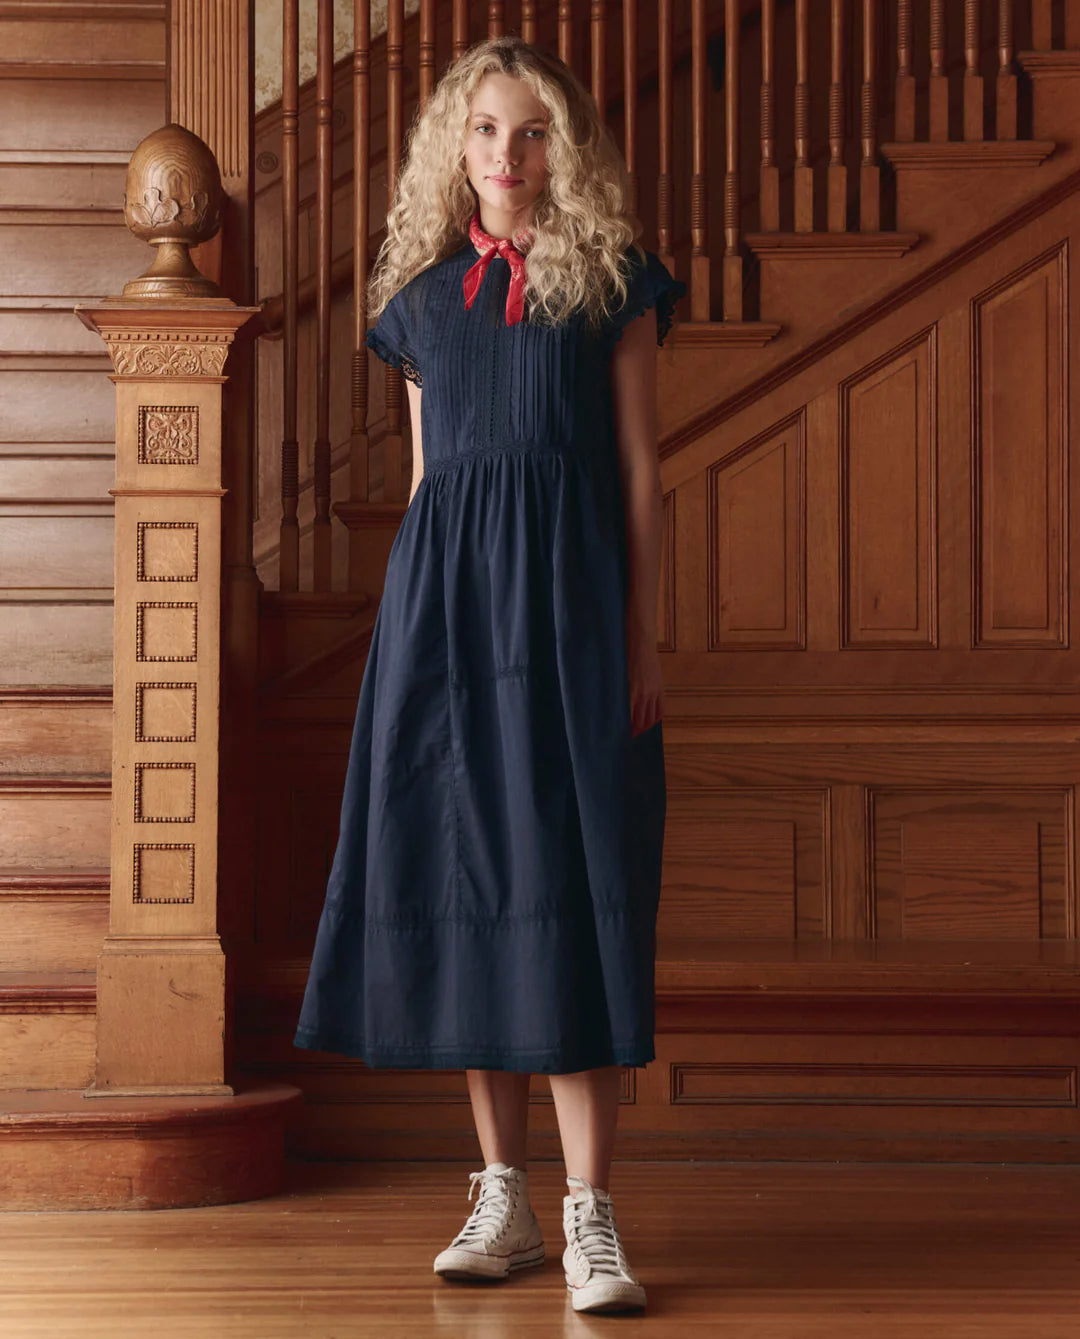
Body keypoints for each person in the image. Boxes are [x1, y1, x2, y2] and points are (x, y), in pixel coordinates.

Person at [293, 33, 686, 1316]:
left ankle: (591, 1214)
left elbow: (636, 472)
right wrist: (410, 645)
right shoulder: (422, 301)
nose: (506, 157)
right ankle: (501, 1192)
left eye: (528, 134)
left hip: (570, 618)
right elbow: (427, 485)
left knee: (568, 884)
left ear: (558, 150)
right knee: (470, 888)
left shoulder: (612, 284)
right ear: (451, 152)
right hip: (448, 622)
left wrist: (643, 634)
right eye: (483, 133)